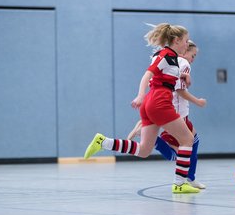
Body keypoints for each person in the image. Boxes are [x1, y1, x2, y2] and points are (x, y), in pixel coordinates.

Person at [84, 23, 200, 194]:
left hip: (151, 101)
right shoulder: (167, 55)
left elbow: (164, 76)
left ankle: (104, 142)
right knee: (188, 140)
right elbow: (148, 74)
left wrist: (183, 76)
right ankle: (180, 184)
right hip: (159, 101)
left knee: (144, 149)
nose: (186, 44)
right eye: (185, 41)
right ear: (176, 41)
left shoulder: (165, 56)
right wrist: (140, 94)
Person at [128, 40, 207, 189]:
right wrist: (198, 102)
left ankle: (190, 178)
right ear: (184, 49)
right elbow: (179, 90)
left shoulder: (173, 60)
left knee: (193, 141)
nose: (193, 59)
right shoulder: (184, 63)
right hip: (175, 112)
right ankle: (182, 181)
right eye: (193, 55)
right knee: (178, 153)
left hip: (175, 110)